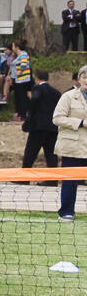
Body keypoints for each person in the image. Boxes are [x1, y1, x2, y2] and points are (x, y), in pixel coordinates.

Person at [54, 65, 87, 221]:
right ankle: (67, 212)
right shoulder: (68, 96)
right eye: (84, 76)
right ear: (79, 79)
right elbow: (57, 118)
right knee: (70, 181)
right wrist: (80, 122)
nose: (86, 79)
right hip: (72, 147)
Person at [22, 70, 60, 175]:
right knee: (51, 153)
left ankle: (24, 177)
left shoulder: (37, 88)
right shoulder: (56, 92)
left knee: (31, 152)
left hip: (38, 126)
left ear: (36, 78)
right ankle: (52, 179)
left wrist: (28, 119)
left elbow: (35, 100)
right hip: (52, 126)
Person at [10, 40, 33, 123]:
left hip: (23, 79)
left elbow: (24, 63)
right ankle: (20, 114)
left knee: (23, 97)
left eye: (13, 46)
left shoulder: (23, 54)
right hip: (18, 80)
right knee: (19, 97)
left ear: (17, 47)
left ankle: (23, 115)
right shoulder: (18, 56)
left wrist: (20, 71)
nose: (12, 48)